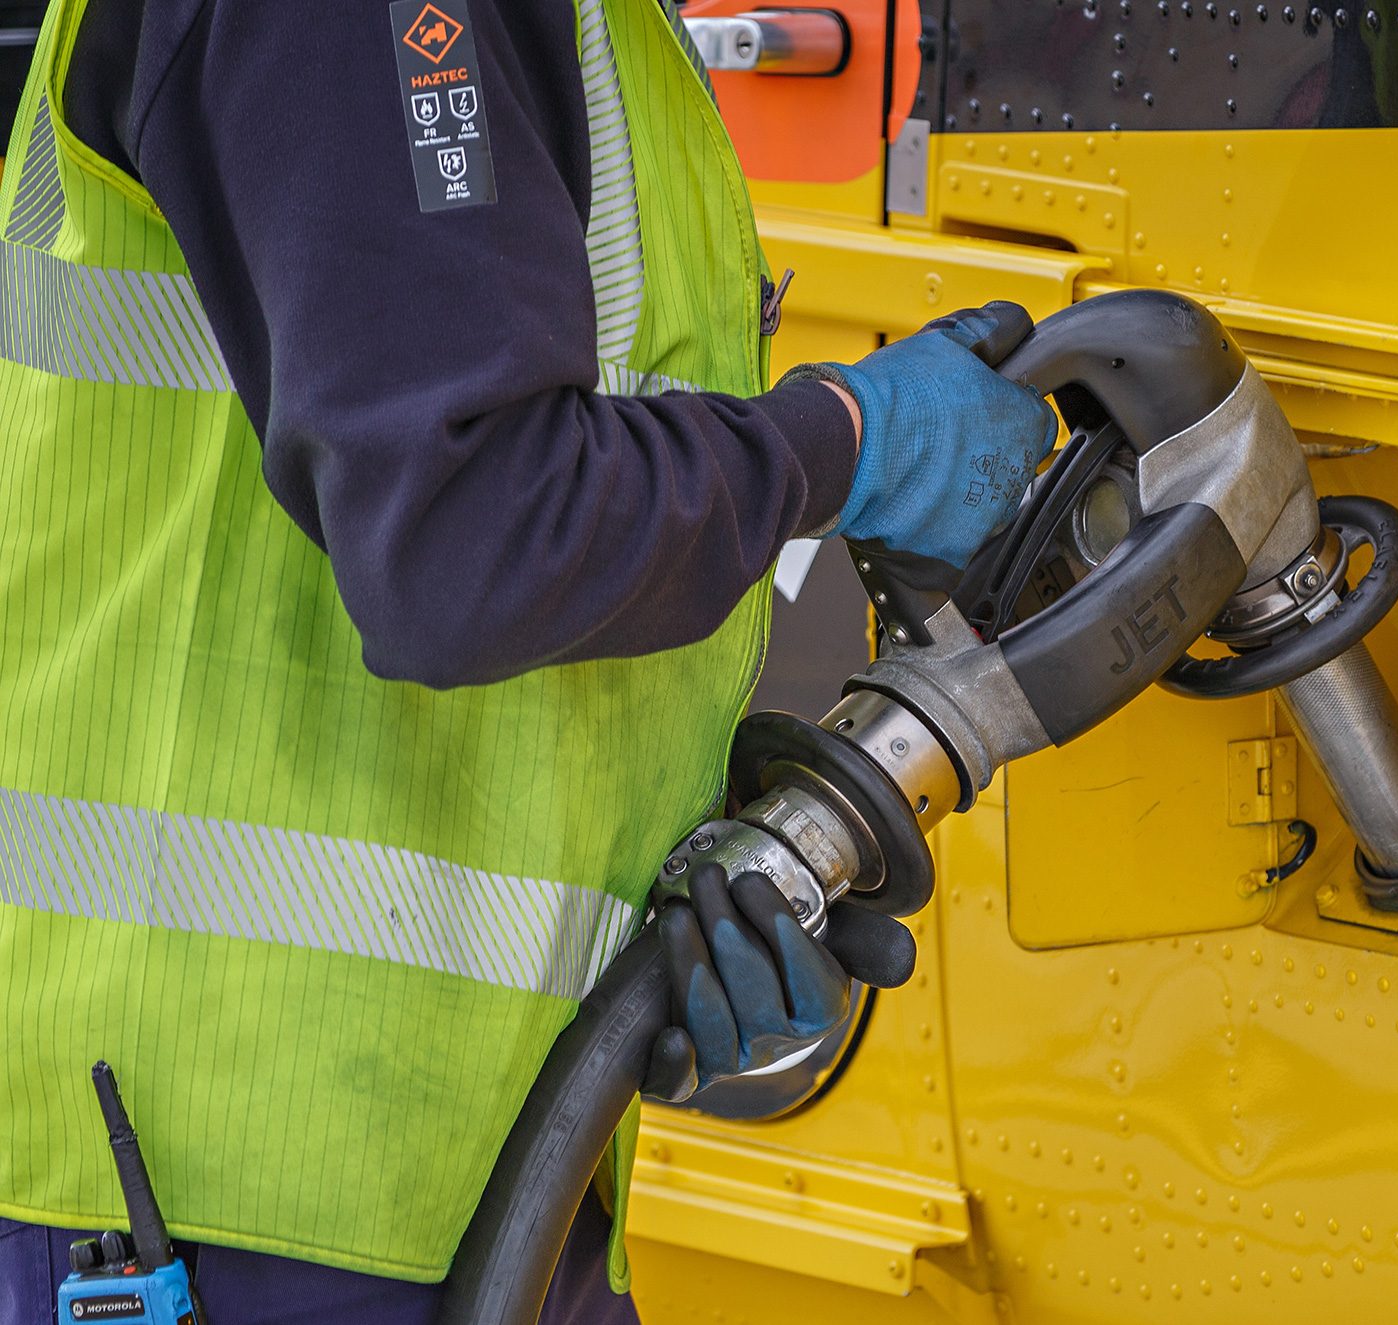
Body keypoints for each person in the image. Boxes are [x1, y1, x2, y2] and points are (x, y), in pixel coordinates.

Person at [0, 0, 1060, 1314]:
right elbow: (466, 537)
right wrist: (843, 442)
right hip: (205, 1197)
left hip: (462, 1182)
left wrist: (687, 881)